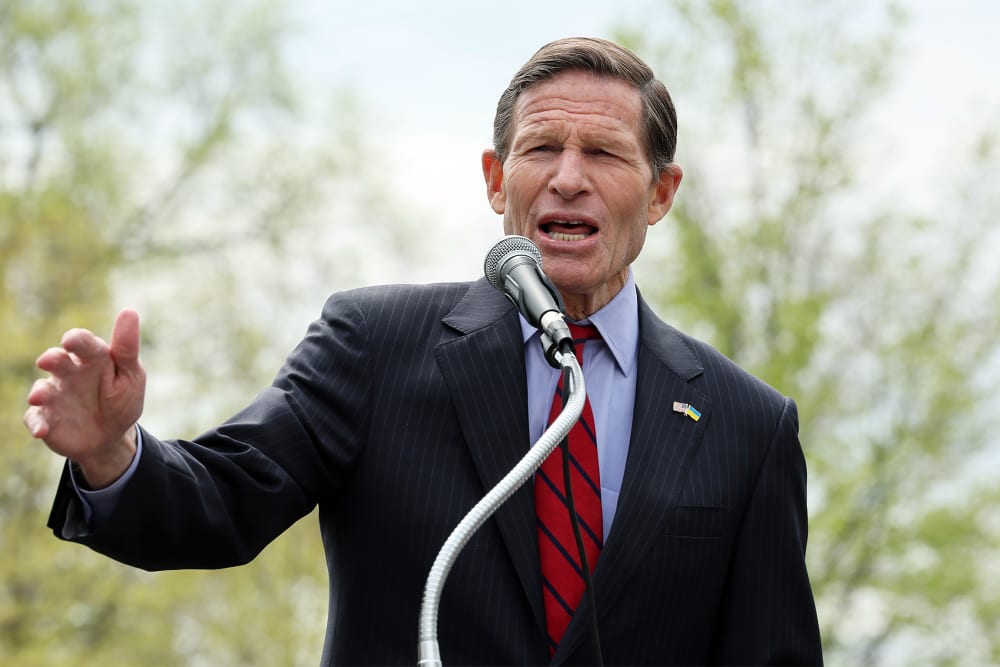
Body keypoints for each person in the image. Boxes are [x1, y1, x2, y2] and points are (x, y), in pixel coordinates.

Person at [25, 37, 823, 665]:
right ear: (494, 178)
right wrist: (112, 452)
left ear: (660, 193)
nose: (568, 179)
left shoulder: (744, 425)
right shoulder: (374, 346)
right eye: (541, 149)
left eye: (605, 154)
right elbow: (223, 500)